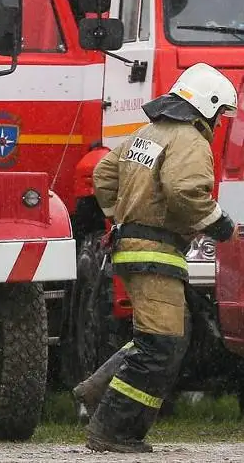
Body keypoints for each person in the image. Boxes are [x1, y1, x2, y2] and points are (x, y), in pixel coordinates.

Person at [84, 62, 237, 453]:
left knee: (156, 337)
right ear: (209, 106)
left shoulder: (146, 133)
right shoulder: (189, 140)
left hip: (132, 248)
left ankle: (97, 389)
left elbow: (103, 174)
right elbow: (184, 191)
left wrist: (121, 216)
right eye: (221, 114)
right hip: (157, 254)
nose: (220, 123)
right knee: (161, 347)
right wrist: (218, 223)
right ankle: (111, 428)